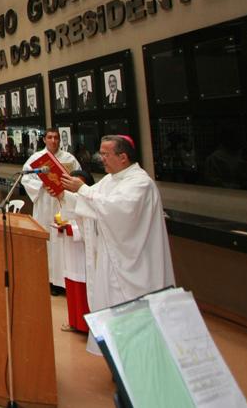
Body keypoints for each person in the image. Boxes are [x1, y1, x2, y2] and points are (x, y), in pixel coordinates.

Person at [57, 135, 174, 354]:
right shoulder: (111, 180)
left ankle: (140, 361)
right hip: (112, 260)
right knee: (113, 316)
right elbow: (92, 206)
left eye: (105, 154)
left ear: (123, 157)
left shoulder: (140, 183)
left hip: (136, 263)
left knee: (135, 318)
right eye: (101, 153)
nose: (101, 159)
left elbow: (117, 210)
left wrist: (81, 189)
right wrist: (64, 194)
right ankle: (119, 361)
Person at [23, 128, 81, 294]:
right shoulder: (36, 158)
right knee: (48, 240)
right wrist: (42, 183)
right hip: (45, 203)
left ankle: (65, 279)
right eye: (50, 137)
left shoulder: (69, 158)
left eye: (56, 137)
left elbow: (79, 177)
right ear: (44, 140)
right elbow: (26, 178)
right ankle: (49, 279)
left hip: (63, 203)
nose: (54, 140)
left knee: (63, 242)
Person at [55, 168, 94, 334]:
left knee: (83, 286)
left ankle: (86, 325)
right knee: (71, 284)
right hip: (70, 251)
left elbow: (89, 226)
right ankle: (74, 322)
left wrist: (72, 229)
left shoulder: (90, 200)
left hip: (83, 251)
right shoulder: (70, 199)